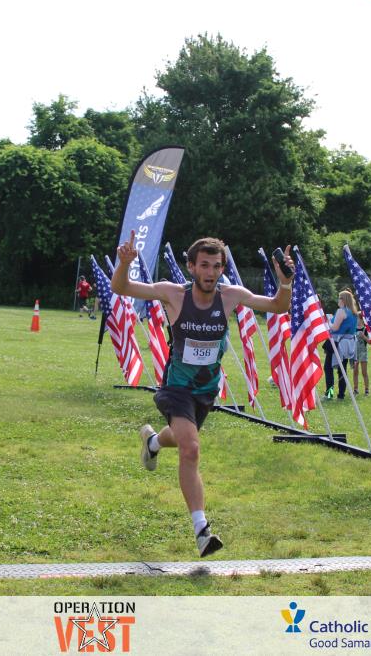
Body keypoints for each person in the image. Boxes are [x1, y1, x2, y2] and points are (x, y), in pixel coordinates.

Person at [111, 231, 295, 557]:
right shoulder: (173, 294)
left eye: (217, 266)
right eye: (205, 265)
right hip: (177, 387)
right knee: (191, 448)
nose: (211, 272)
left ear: (223, 269)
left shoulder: (231, 296)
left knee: (182, 437)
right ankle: (202, 531)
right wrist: (124, 264)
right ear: (192, 267)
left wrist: (285, 282)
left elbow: (279, 306)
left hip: (206, 390)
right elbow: (121, 288)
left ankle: (153, 443)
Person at [328, 290, 359, 401]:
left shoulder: (341, 311)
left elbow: (334, 327)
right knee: (342, 370)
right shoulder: (354, 312)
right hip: (349, 343)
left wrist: (328, 321)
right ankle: (341, 394)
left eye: (339, 297)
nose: (338, 300)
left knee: (328, 368)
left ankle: (329, 394)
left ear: (343, 300)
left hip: (337, 342)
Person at [352, 310, 369, 396]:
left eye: (358, 318)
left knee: (364, 372)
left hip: (363, 353)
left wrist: (364, 336)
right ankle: (355, 389)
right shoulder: (353, 328)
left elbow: (370, 341)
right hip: (354, 353)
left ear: (362, 319)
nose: (357, 320)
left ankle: (366, 389)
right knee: (355, 371)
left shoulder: (365, 329)